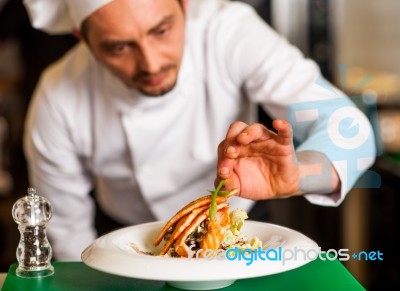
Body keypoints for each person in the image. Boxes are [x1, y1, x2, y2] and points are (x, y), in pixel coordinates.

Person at [22, 0, 376, 261]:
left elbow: (351, 131)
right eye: (119, 47)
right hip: (124, 241)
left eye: (161, 30)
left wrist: (298, 174)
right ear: (79, 35)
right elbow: (67, 237)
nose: (152, 62)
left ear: (185, 5)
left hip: (238, 230)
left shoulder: (229, 32)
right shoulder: (58, 96)